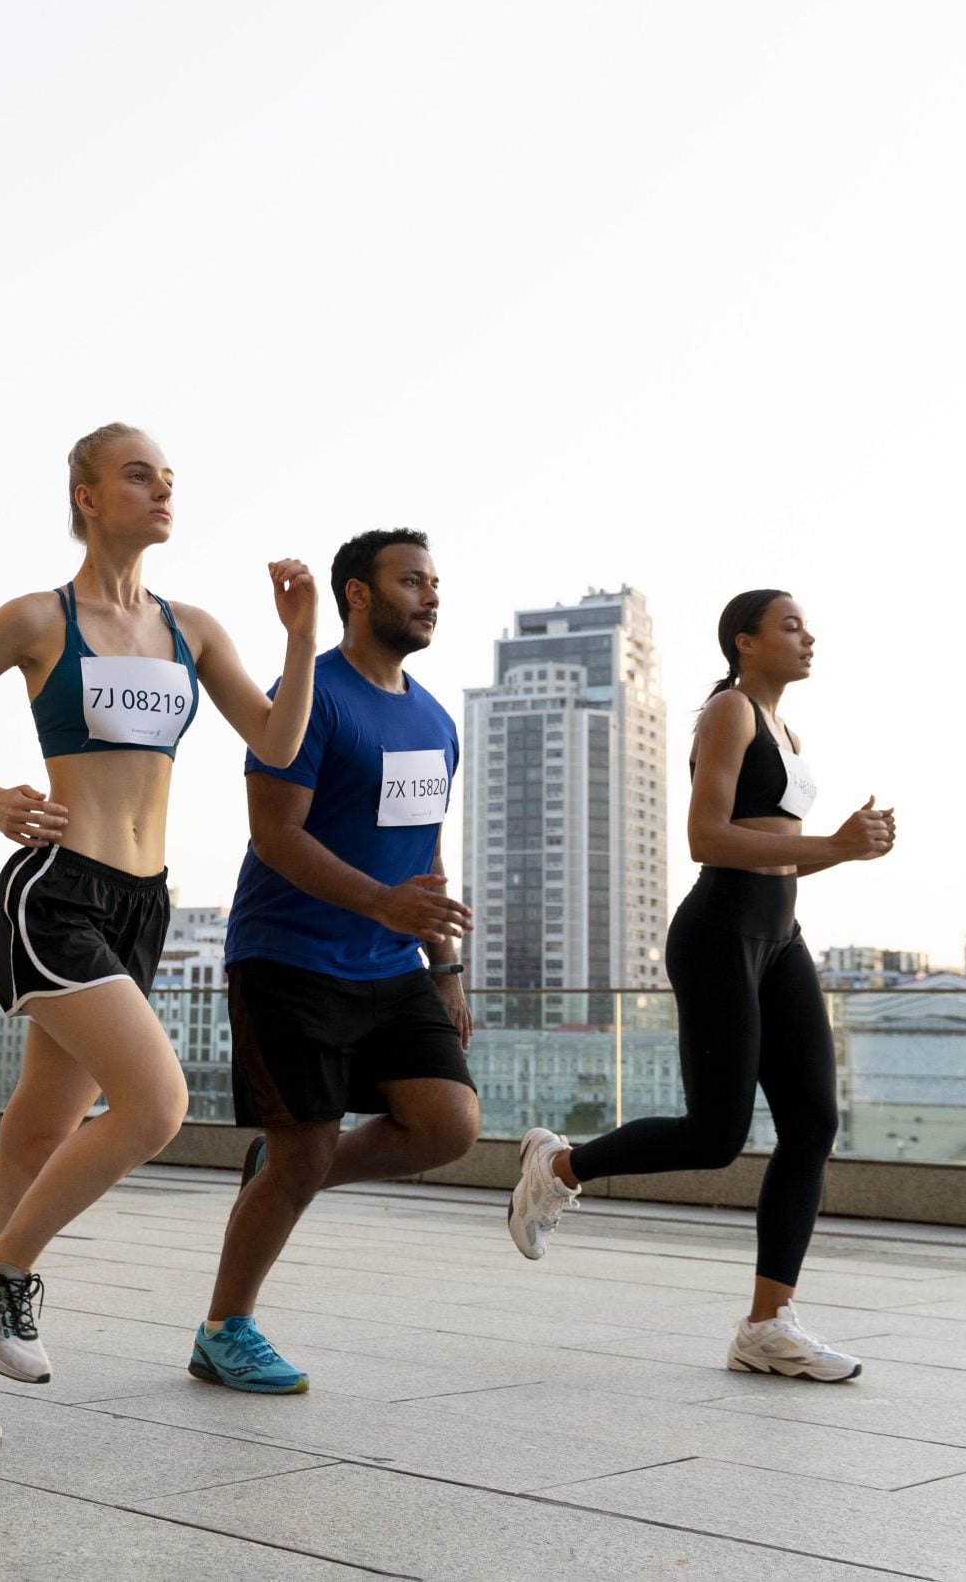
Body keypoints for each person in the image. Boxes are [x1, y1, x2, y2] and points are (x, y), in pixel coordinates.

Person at [0, 423, 317, 1444]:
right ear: (86, 494)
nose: (162, 489)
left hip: (142, 905)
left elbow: (276, 739)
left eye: (169, 478)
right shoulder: (38, 618)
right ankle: (2, 1275)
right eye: (139, 475)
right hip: (55, 896)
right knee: (157, 1101)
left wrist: (300, 638)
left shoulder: (195, 629)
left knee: (34, 1140)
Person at [504, 589, 894, 1382]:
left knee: (812, 1121)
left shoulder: (787, 728)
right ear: (745, 642)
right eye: (790, 625)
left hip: (778, 936)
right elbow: (705, 836)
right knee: (717, 1136)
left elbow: (782, 851)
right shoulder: (730, 710)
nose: (808, 635)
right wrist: (838, 841)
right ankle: (559, 1167)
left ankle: (766, 1323)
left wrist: (846, 850)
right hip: (720, 932)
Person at [188, 529, 478, 1394]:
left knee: (448, 1124)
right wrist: (382, 903)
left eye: (435, 582)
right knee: (305, 1147)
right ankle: (222, 1329)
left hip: (391, 963)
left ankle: (282, 1167)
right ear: (358, 593)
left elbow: (424, 855)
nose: (430, 596)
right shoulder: (309, 696)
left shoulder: (434, 718)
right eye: (411, 581)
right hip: (290, 957)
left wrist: (445, 962)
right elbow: (273, 836)